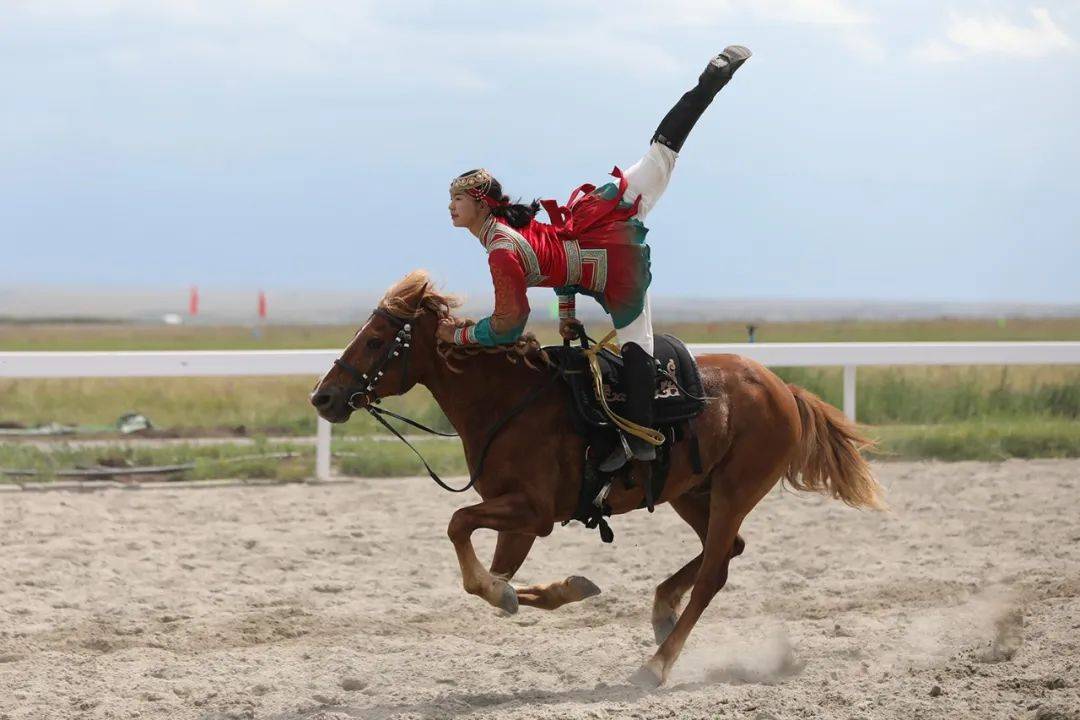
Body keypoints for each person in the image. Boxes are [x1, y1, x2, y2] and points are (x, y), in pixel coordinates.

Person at [440, 46, 752, 471]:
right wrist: (565, 310)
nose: (451, 207)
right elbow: (555, 261)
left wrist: (458, 336)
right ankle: (710, 82)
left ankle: (640, 437)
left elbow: (508, 323)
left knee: (637, 343)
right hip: (601, 216)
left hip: (614, 267)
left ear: (479, 204)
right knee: (661, 152)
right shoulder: (511, 231)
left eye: (457, 199)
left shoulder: (500, 250)